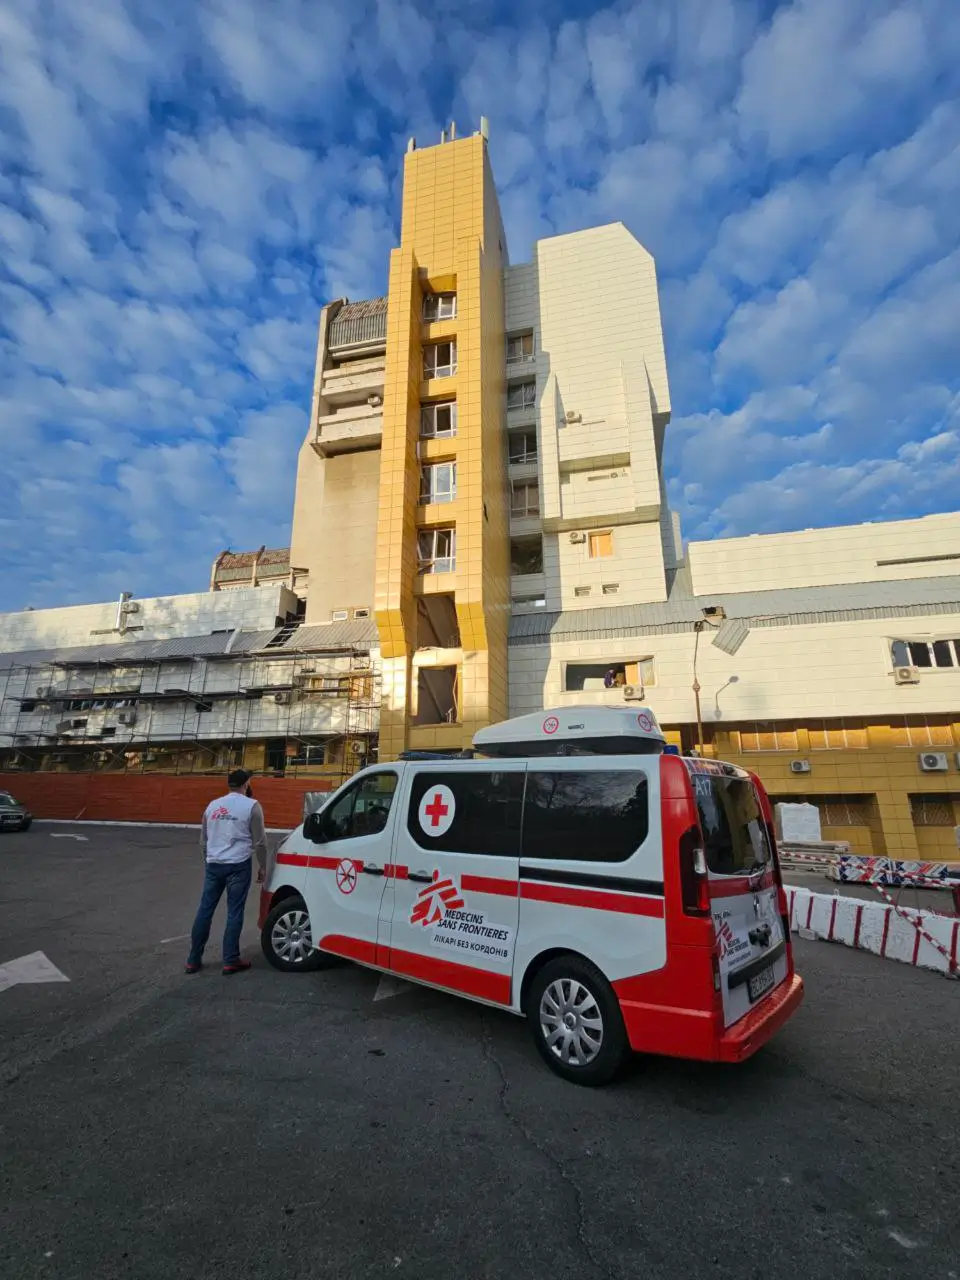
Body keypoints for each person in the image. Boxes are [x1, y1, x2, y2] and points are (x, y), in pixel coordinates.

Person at [185, 769, 268, 975]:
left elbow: (203, 841)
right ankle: (230, 959)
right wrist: (263, 867)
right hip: (238, 865)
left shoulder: (212, 806)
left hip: (214, 864)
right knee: (234, 912)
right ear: (246, 784)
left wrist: (208, 862)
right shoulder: (252, 806)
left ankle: (193, 959)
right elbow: (260, 842)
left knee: (205, 910)